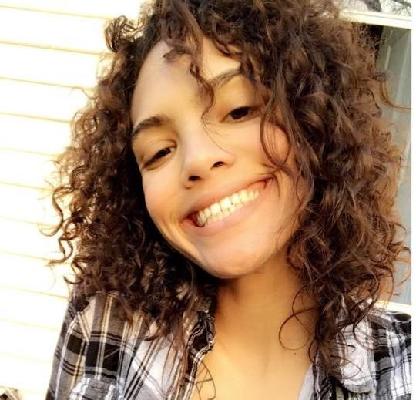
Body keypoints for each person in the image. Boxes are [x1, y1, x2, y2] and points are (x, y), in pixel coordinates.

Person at [46, 0, 411, 399]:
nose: (197, 159)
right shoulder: (102, 322)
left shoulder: (400, 367)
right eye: (159, 152)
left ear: (314, 121)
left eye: (238, 111)